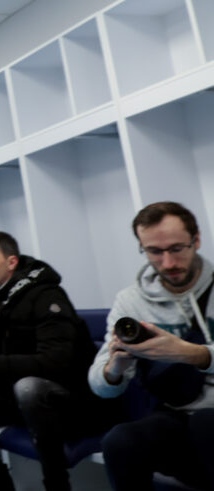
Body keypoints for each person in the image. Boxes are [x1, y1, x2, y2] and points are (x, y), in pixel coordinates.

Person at [0, 232, 100, 491]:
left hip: (70, 399)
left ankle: (57, 485)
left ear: (11, 262)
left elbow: (56, 362)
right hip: (18, 395)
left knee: (28, 388)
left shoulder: (47, 295)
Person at [89, 201, 214, 490]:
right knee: (120, 441)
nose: (168, 263)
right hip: (177, 415)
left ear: (196, 241)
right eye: (154, 252)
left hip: (209, 419)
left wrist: (191, 353)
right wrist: (115, 367)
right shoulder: (130, 301)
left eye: (176, 249)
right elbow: (100, 386)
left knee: (206, 424)